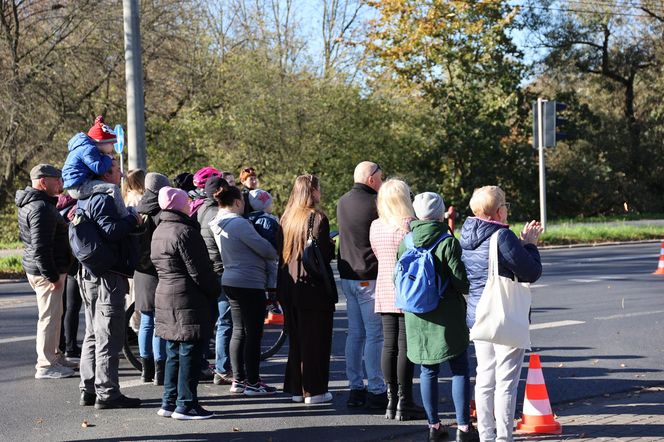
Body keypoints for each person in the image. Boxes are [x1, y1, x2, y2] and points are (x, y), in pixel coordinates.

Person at [460, 186, 543, 442]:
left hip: (478, 314)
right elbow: (530, 272)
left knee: (485, 377)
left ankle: (486, 435)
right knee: (506, 381)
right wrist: (529, 245)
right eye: (505, 204)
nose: (507, 208)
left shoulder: (465, 234)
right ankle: (504, 437)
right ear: (498, 211)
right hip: (503, 315)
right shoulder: (501, 237)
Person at [399, 192, 478, 442]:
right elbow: (460, 282)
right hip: (447, 314)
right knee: (459, 369)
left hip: (417, 315)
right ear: (440, 212)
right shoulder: (447, 241)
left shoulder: (406, 241)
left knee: (427, 370)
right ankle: (464, 428)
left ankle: (434, 426)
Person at [75, 157, 144, 409]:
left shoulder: (85, 196)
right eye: (117, 170)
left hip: (89, 274)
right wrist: (132, 220)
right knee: (108, 334)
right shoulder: (103, 198)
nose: (122, 174)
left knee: (93, 332)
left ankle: (89, 388)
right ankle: (107, 392)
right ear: (105, 175)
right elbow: (112, 231)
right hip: (107, 277)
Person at [151, 186, 221, 420]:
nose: (189, 204)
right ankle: (186, 404)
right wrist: (214, 290)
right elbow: (200, 271)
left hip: (165, 295)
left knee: (173, 351)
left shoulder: (159, 229)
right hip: (187, 297)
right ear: (179, 205)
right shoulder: (185, 232)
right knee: (190, 351)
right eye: (186, 202)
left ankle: (169, 402)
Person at [209, 179, 279, 396]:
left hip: (230, 279)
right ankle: (253, 382)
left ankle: (238, 380)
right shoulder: (239, 224)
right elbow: (266, 250)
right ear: (238, 202)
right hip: (249, 281)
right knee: (254, 333)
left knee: (238, 332)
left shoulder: (217, 223)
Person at [278, 175, 337, 404]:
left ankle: (296, 388)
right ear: (312, 191)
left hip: (289, 286)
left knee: (298, 340)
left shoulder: (286, 218)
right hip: (312, 287)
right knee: (317, 340)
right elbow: (322, 255)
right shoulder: (318, 218)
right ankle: (314, 390)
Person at [369, 179, 424, 420]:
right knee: (405, 347)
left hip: (384, 287)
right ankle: (405, 399)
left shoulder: (375, 226)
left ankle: (391, 400)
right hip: (407, 289)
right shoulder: (410, 225)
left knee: (388, 346)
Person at [16, 164, 76, 379]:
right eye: (57, 179)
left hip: (43, 270)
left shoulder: (36, 204)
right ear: (43, 182)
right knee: (49, 318)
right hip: (46, 273)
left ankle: (54, 356)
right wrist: (52, 276)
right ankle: (46, 364)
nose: (61, 183)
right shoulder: (40, 208)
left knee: (54, 315)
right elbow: (41, 247)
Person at [337, 160, 387, 409]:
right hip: (368, 274)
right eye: (381, 176)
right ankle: (377, 389)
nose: (383, 180)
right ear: (371, 179)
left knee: (355, 334)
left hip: (347, 275)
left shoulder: (343, 201)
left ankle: (355, 387)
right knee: (374, 335)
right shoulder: (375, 203)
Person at [133, 173, 171, 384]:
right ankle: (160, 370)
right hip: (157, 270)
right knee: (159, 322)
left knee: (146, 321)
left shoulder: (138, 209)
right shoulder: (160, 211)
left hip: (140, 271)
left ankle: (145, 369)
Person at [197, 176, 233, 386]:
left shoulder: (202, 209)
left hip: (208, 271)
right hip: (220, 270)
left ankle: (203, 363)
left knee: (209, 321)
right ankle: (222, 368)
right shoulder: (216, 214)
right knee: (225, 322)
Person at [56, 194, 83, 361]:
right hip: (73, 261)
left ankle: (60, 343)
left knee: (61, 306)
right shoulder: (77, 207)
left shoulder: (56, 207)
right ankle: (71, 346)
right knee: (73, 306)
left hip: (59, 261)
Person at [62, 115, 115, 197]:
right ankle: (122, 210)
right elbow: (99, 169)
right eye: (111, 143)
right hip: (79, 186)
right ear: (102, 142)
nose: (113, 147)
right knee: (113, 188)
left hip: (76, 184)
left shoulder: (85, 148)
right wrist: (108, 157)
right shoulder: (89, 150)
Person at [246, 189, 279, 293]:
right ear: (265, 205)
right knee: (272, 274)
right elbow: (270, 239)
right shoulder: (266, 220)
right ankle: (272, 295)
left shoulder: (249, 218)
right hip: (268, 256)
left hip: (255, 259)